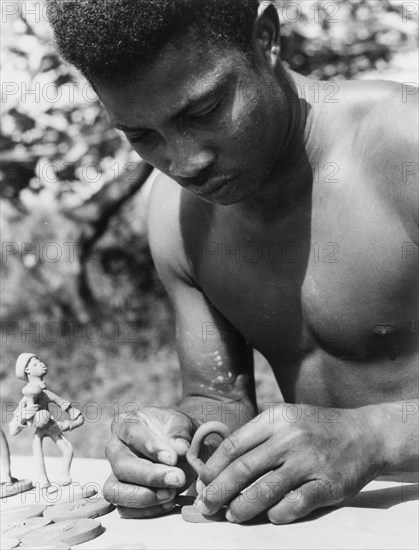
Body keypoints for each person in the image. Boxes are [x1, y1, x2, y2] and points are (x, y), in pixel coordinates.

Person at [46, 0, 418, 523]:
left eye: (203, 111)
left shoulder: (405, 147)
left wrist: (378, 435)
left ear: (266, 39)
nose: (184, 162)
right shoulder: (177, 217)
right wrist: (171, 447)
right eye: (142, 136)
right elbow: (216, 398)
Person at [10, 353, 84, 489]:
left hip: (51, 425)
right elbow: (13, 430)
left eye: (40, 362)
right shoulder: (26, 399)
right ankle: (44, 482)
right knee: (38, 455)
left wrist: (66, 425)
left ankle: (64, 478)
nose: (42, 364)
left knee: (67, 450)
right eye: (35, 364)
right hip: (39, 430)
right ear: (27, 371)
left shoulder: (48, 394)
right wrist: (23, 416)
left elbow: (77, 417)